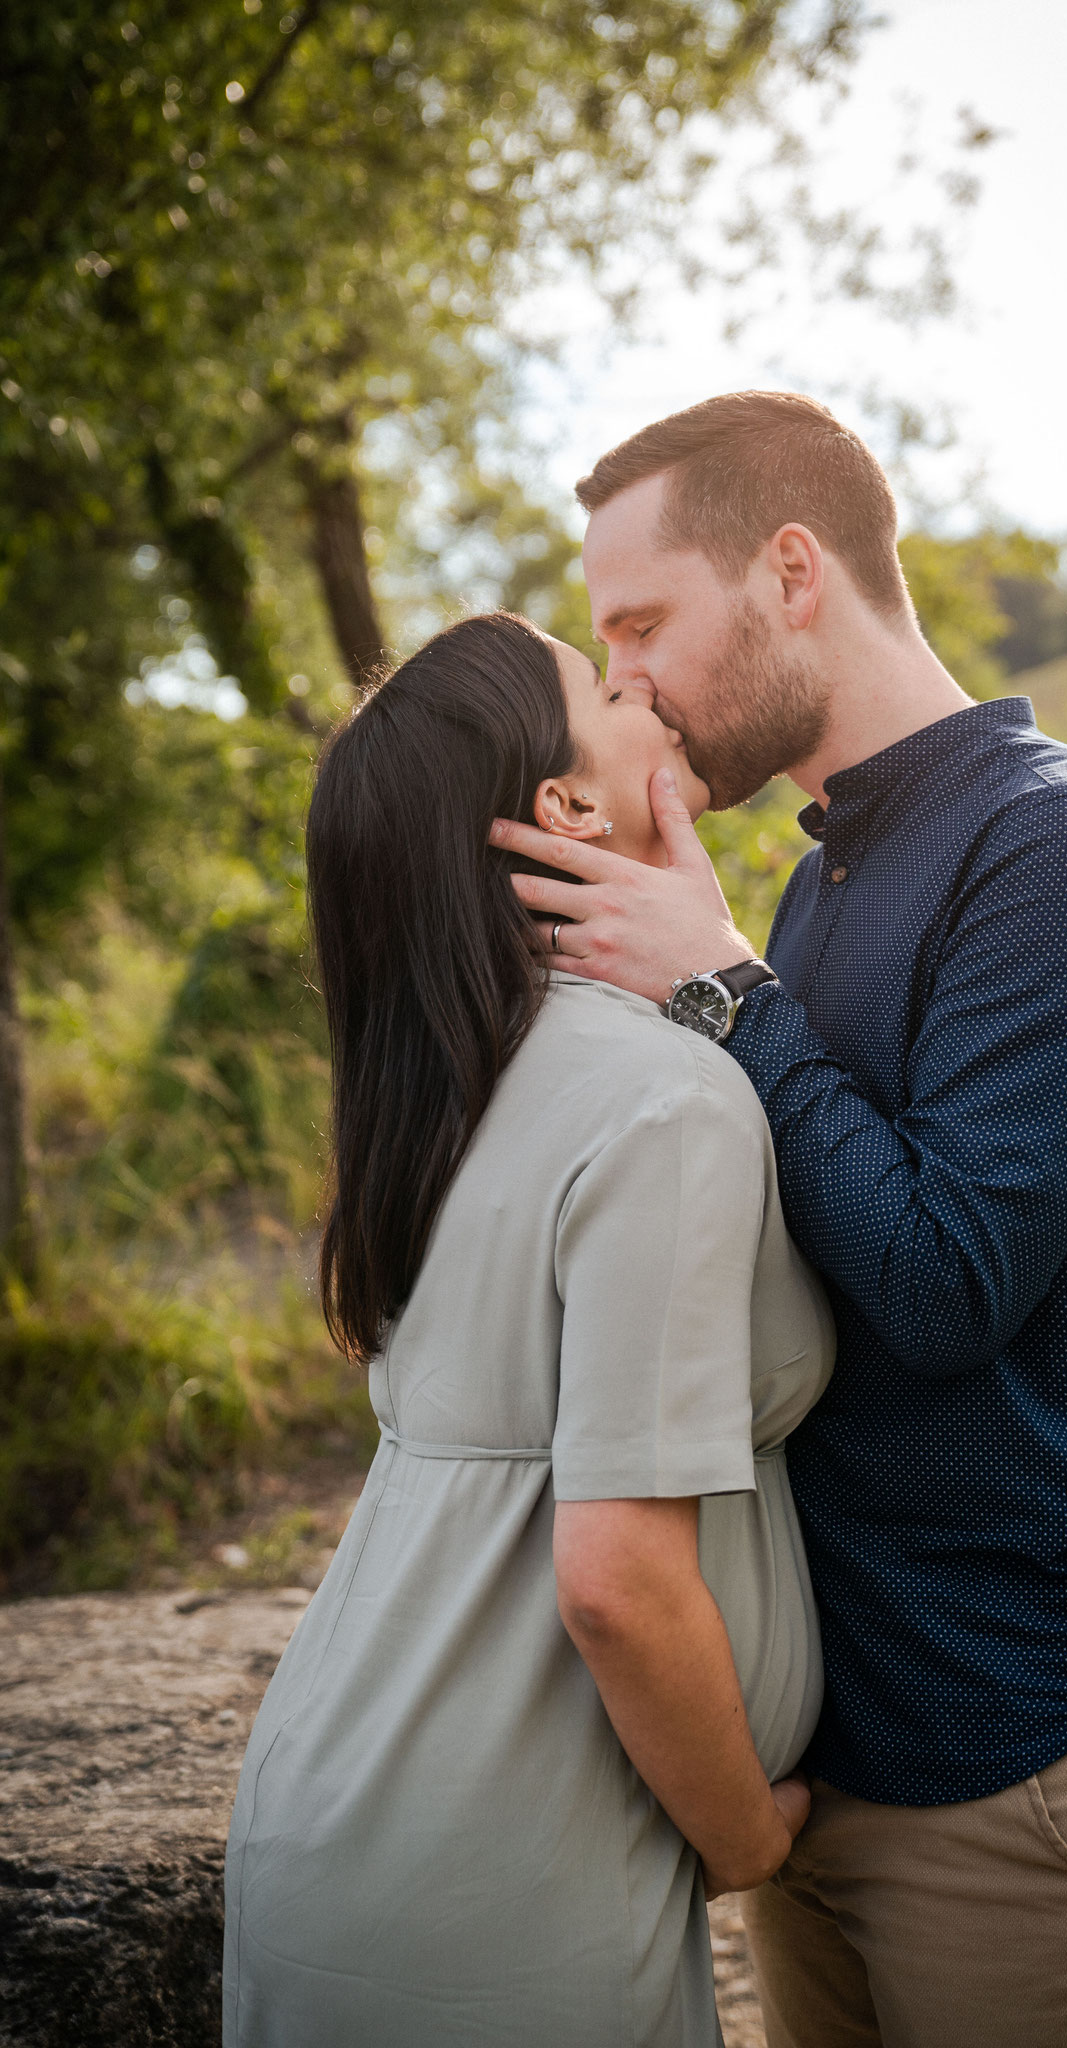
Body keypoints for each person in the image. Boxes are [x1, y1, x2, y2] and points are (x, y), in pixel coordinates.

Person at [491, 391, 1067, 2048]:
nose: (619, 682)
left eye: (641, 625)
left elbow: (937, 1284)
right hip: (823, 1775)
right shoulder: (810, 871)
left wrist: (717, 988)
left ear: (786, 570)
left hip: (1034, 1774)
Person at [222, 610, 834, 2048]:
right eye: (605, 687)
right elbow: (616, 1581)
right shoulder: (666, 1101)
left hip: (332, 1814)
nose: (646, 693)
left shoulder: (444, 1078)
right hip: (498, 1886)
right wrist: (743, 1837)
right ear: (562, 807)